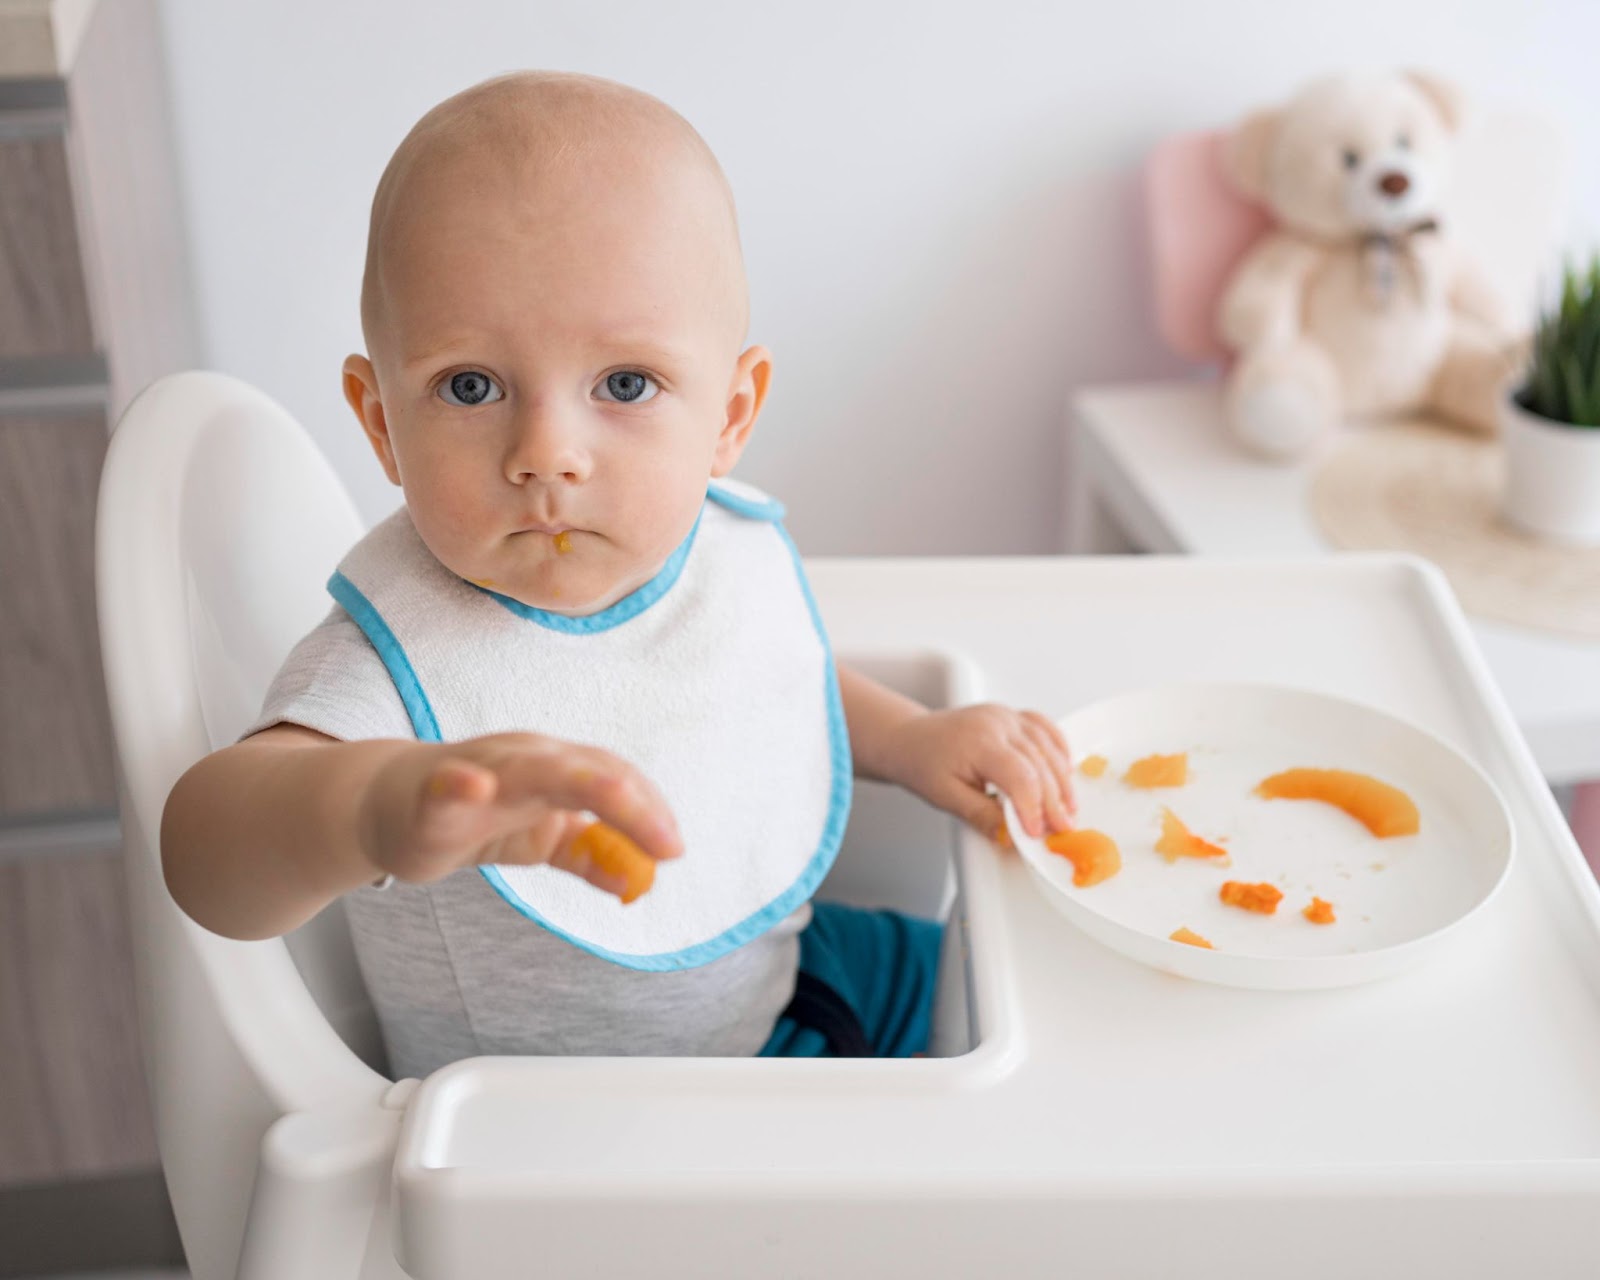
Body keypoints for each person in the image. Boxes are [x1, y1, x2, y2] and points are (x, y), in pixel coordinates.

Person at [160, 70, 1076, 1077]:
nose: (546, 449)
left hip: (790, 976)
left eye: (624, 384)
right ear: (381, 419)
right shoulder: (393, 661)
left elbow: (759, 672)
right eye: (470, 386)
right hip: (588, 1133)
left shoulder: (705, 547)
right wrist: (374, 807)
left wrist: (911, 738)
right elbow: (206, 854)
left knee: (1044, 1006)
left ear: (730, 414)